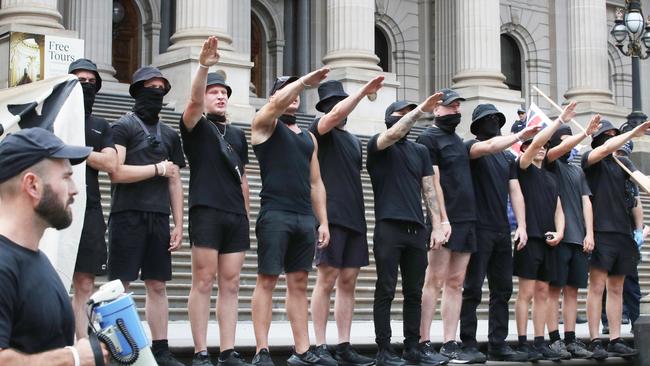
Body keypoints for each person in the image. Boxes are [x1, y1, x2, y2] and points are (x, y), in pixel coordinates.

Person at [0, 127, 109, 365]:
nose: (75, 189)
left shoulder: (37, 259)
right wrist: (73, 357)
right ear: (33, 185)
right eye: (66, 177)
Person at [249, 68, 331, 366]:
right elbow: (273, 106)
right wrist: (304, 82)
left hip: (303, 217)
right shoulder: (265, 124)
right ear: (275, 96)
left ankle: (303, 350)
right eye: (287, 91)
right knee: (267, 280)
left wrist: (322, 220)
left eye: (298, 93)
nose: (294, 96)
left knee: (298, 282)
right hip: (275, 214)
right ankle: (261, 350)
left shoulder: (309, 137)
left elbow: (316, 182)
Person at [180, 37, 251, 366]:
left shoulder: (237, 135)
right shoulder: (195, 126)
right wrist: (204, 66)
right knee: (204, 280)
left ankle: (227, 350)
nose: (221, 95)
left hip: (235, 215)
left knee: (232, 283)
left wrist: (247, 215)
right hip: (205, 209)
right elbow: (193, 103)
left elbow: (244, 179)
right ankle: (200, 351)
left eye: (224, 92)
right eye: (214, 91)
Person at [108, 66, 186, 366]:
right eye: (150, 88)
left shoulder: (168, 133)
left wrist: (179, 222)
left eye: (161, 88)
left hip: (158, 217)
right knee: (120, 284)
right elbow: (116, 171)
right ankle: (118, 348)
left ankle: (161, 348)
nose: (156, 93)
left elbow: (175, 179)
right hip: (126, 215)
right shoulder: (122, 126)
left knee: (158, 285)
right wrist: (156, 169)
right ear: (138, 91)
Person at [308, 77, 384, 366]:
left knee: (349, 281)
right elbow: (334, 117)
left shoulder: (353, 141)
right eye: (337, 103)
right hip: (331, 216)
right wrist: (363, 92)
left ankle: (343, 344)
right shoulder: (319, 130)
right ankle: (319, 344)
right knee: (325, 279)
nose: (342, 108)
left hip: (355, 217)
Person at [367, 96, 447, 366]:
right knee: (386, 289)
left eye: (410, 114)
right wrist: (421, 110)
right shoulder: (378, 144)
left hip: (416, 230)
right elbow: (394, 133)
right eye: (401, 113)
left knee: (414, 292)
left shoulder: (420, 151)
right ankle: (383, 349)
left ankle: (412, 347)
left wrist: (436, 225)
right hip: (389, 226)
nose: (407, 117)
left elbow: (429, 189)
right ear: (390, 116)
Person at [459, 104, 540, 363]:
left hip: (502, 230)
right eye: (488, 119)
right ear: (478, 125)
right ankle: (468, 342)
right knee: (472, 288)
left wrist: (522, 226)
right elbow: (489, 146)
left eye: (496, 118)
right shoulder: (472, 147)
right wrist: (520, 136)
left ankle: (498, 343)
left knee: (502, 289)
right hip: (478, 228)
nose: (493, 122)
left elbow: (515, 191)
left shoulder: (507, 159)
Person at [416, 88, 477, 363]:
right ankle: (423, 340)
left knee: (456, 282)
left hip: (467, 219)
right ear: (436, 109)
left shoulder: (458, 141)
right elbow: (432, 181)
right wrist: (440, 220)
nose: (456, 111)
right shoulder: (428, 139)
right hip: (444, 219)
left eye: (457, 107)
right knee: (434, 279)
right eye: (450, 107)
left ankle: (450, 341)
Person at [582, 119, 650, 359]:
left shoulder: (624, 164)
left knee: (617, 288)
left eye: (614, 134)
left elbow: (640, 188)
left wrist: (639, 230)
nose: (611, 137)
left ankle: (615, 338)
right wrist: (632, 131)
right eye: (607, 134)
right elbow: (603, 150)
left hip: (623, 232)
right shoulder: (592, 159)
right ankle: (595, 339)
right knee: (597, 287)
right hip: (601, 231)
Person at [513, 102, 575, 361]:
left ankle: (540, 341)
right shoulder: (522, 167)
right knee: (525, 293)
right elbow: (535, 145)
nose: (540, 150)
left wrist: (560, 232)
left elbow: (559, 209)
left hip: (550, 239)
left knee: (542, 293)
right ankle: (523, 341)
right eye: (536, 147)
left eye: (543, 148)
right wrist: (559, 120)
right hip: (531, 238)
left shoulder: (551, 177)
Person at [542, 116, 602, 360]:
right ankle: (554, 339)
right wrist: (585, 134)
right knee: (553, 291)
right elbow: (558, 150)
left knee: (572, 292)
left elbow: (586, 202)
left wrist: (589, 233)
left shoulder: (577, 170)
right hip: (559, 238)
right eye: (565, 141)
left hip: (578, 239)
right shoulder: (549, 163)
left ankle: (570, 338)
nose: (571, 147)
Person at [68, 58, 119, 340]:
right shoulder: (55, 120)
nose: (86, 86)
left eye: (90, 82)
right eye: (79, 81)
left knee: (85, 281)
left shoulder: (101, 124)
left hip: (91, 208)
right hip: (56, 207)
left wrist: (76, 150)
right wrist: (93, 155)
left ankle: (83, 343)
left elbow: (111, 163)